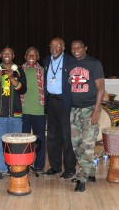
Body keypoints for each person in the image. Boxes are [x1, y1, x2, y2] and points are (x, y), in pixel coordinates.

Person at [69, 39, 105, 192]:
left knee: (88, 145)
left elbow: (101, 89)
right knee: (76, 145)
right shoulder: (70, 64)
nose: (76, 49)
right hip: (74, 110)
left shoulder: (94, 64)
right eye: (73, 48)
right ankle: (90, 172)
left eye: (78, 47)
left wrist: (96, 110)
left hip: (90, 109)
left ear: (85, 48)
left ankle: (82, 178)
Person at [0, 46, 27, 179]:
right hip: (0, 114)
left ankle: (15, 168)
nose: (7, 55)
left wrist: (12, 77)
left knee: (15, 144)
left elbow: (22, 90)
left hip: (16, 114)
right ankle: (1, 169)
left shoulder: (19, 70)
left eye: (9, 53)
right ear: (0, 55)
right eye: (4, 53)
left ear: (13, 55)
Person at [44, 37, 77, 179]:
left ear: (63, 48)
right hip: (51, 102)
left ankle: (70, 169)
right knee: (52, 136)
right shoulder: (46, 60)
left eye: (58, 46)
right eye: (52, 46)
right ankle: (55, 167)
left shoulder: (70, 61)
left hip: (65, 103)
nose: (54, 48)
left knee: (67, 137)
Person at [21, 47, 46, 174]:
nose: (31, 57)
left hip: (39, 111)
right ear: (25, 56)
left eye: (34, 55)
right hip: (23, 111)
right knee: (24, 140)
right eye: (29, 54)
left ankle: (39, 166)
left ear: (38, 57)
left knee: (40, 140)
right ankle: (24, 164)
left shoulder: (43, 71)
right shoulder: (18, 71)